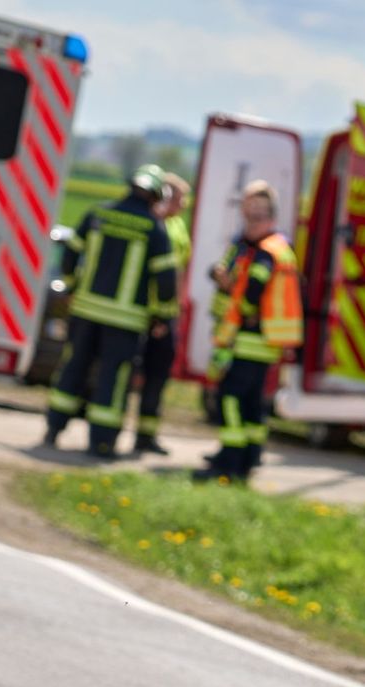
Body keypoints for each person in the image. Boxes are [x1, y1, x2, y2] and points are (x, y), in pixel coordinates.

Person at [43, 164, 178, 458]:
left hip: (85, 312)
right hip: (125, 322)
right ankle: (101, 443)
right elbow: (166, 280)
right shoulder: (154, 229)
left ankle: (53, 430)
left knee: (72, 368)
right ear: (155, 196)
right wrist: (162, 317)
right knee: (112, 380)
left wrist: (69, 286)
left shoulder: (97, 214)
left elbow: (70, 252)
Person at [193, 181, 302, 482]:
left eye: (255, 216)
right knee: (253, 404)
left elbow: (253, 293)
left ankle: (229, 463)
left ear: (268, 218)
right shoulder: (260, 246)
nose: (248, 221)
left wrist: (232, 293)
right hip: (262, 341)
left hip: (249, 340)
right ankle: (249, 457)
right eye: (246, 212)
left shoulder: (267, 250)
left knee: (230, 399)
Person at [132, 172, 191, 455]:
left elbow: (178, 272)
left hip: (167, 316)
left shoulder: (177, 227)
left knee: (157, 379)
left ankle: (146, 436)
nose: (184, 204)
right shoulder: (152, 225)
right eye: (180, 198)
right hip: (144, 313)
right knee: (129, 376)